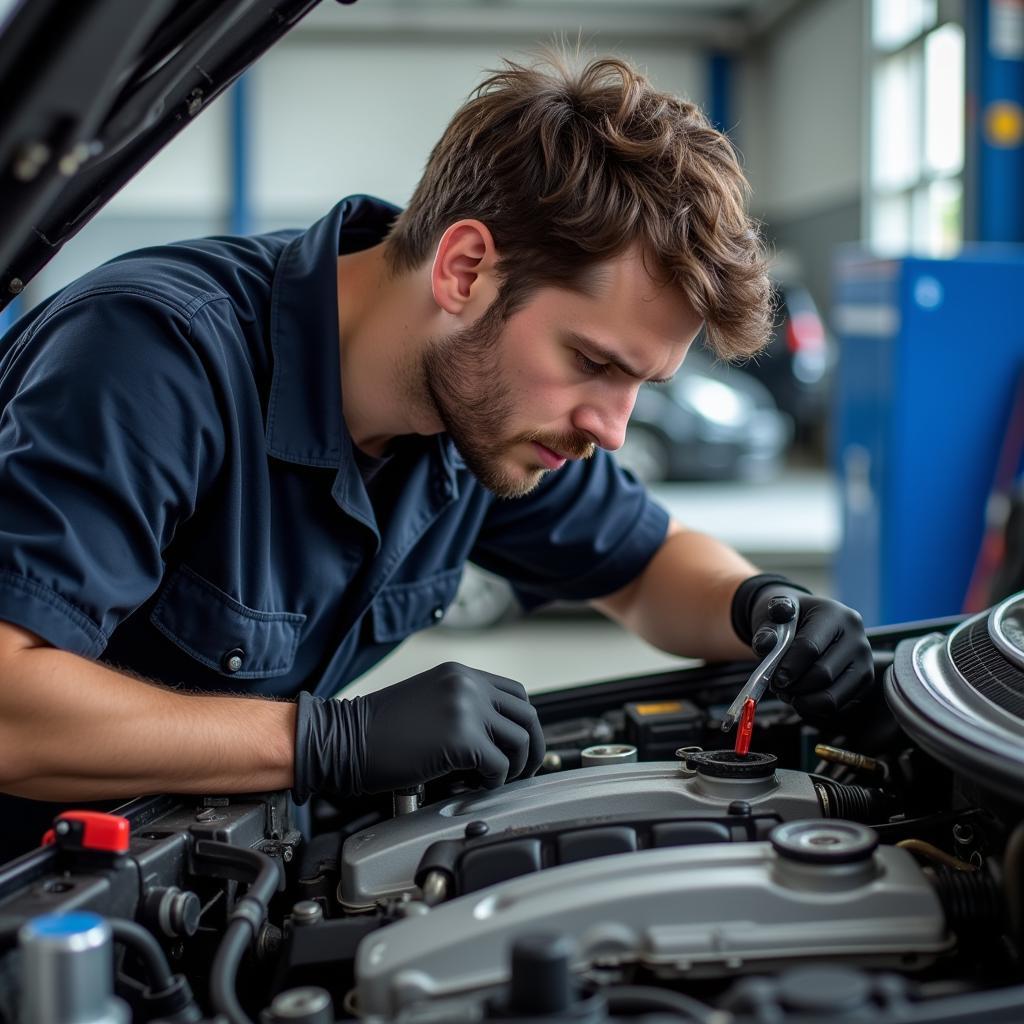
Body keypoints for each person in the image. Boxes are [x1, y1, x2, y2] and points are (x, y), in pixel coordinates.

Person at [0, 54, 873, 859]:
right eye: (595, 363)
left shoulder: (478, 416)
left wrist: (763, 604)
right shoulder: (152, 357)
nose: (611, 427)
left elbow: (646, 568)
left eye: (641, 383)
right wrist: (327, 741)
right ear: (464, 270)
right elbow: (9, 710)